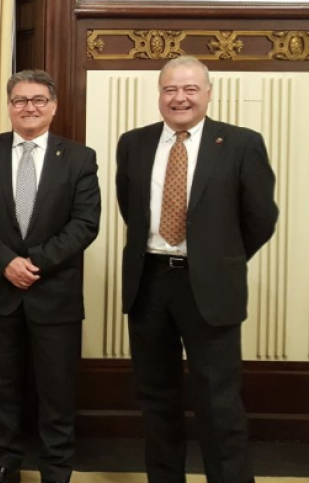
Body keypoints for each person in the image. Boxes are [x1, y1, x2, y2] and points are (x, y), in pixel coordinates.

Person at [116, 56, 277, 483]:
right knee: (156, 397)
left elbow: (260, 217)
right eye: (170, 89)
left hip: (210, 286)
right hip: (148, 282)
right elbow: (130, 208)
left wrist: (219, 258)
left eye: (189, 89)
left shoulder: (242, 143)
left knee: (218, 399)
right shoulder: (133, 142)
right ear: (159, 95)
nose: (179, 98)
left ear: (208, 93)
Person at [0, 70, 101, 483]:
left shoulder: (79, 157)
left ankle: (56, 468)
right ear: (9, 106)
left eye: (38, 100)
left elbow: (85, 224)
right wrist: (5, 261)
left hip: (54, 292)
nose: (29, 107)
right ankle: (5, 461)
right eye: (20, 100)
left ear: (54, 106)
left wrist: (34, 263)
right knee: (3, 386)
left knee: (56, 390)